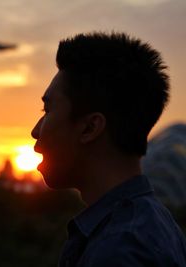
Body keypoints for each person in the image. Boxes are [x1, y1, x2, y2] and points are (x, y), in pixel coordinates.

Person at [31, 32, 186, 267]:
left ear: (90, 128)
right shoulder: (155, 225)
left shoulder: (119, 250)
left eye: (47, 110)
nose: (36, 130)